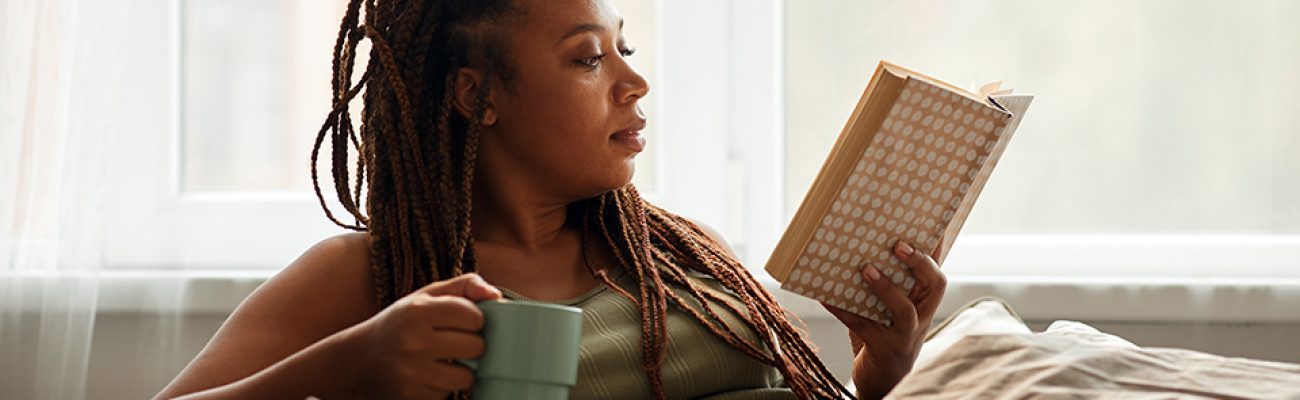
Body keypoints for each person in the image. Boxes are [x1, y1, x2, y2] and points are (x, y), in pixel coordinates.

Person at [154, 0, 946, 399]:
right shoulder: (370, 276)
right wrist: (343, 367)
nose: (634, 83)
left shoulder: (685, 253)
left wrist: (882, 371)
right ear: (478, 94)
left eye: (624, 50)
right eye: (586, 60)